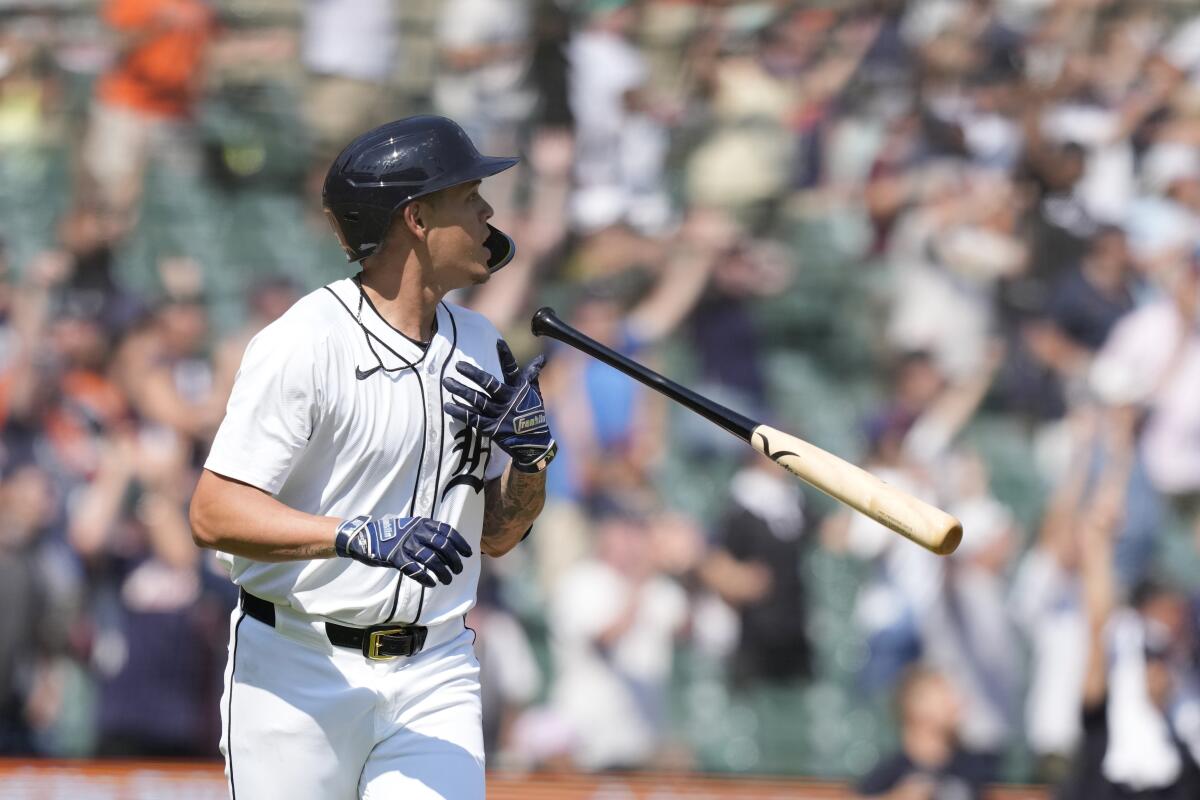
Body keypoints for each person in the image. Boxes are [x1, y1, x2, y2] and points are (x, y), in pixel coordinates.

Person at [188, 115, 557, 800]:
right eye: (469, 195)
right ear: (416, 217)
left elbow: (498, 538)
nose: (487, 212)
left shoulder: (480, 344)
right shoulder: (306, 340)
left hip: (436, 670)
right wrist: (351, 534)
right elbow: (212, 513)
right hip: (299, 667)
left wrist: (532, 464)